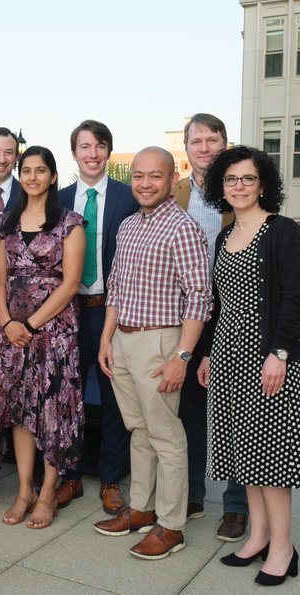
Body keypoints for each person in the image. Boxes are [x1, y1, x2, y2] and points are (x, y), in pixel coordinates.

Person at [196, 146, 300, 586]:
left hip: (268, 358)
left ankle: (283, 547)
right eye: (231, 180)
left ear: (263, 183)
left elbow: (293, 301)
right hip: (229, 355)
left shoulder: (283, 232)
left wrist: (280, 353)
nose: (240, 187)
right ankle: (259, 535)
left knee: (271, 456)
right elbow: (219, 306)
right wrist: (209, 352)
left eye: (248, 179)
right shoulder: (223, 236)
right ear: (220, 188)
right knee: (243, 452)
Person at [92, 147, 211, 561]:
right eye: (138, 176)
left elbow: (200, 297)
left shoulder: (183, 228)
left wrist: (182, 356)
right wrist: (107, 340)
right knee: (139, 431)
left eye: (154, 176)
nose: (144, 183)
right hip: (123, 340)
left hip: (160, 341)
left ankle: (171, 525)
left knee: (166, 436)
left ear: (170, 177)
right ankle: (141, 510)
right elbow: (117, 289)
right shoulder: (127, 226)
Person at [0, 146, 86, 530]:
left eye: (40, 170)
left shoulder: (70, 222)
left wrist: (30, 325)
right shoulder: (8, 222)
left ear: (52, 176)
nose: (32, 177)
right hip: (11, 332)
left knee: (50, 410)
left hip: (53, 333)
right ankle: (23, 491)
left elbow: (71, 283)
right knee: (18, 411)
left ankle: (48, 492)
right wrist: (6, 322)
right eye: (26, 170)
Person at [172, 113, 249, 543]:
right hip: (186, 317)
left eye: (212, 139)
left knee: (235, 413)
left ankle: (236, 505)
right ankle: (194, 494)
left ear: (225, 143)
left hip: (232, 313)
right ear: (187, 148)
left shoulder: (242, 189)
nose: (205, 147)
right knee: (191, 411)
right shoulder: (175, 191)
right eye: (196, 140)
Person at [57, 119, 140, 513]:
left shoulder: (129, 197)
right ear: (74, 153)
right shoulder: (57, 199)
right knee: (67, 396)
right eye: (85, 146)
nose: (92, 153)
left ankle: (110, 479)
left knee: (114, 399)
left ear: (108, 152)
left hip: (112, 312)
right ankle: (69, 476)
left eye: (100, 146)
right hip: (67, 313)